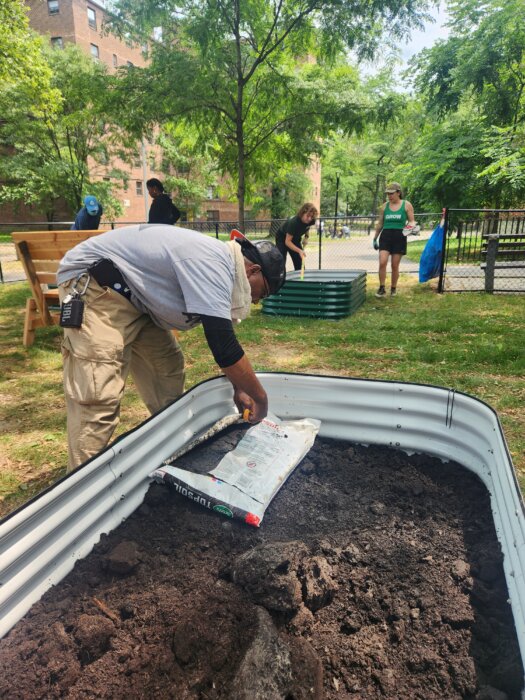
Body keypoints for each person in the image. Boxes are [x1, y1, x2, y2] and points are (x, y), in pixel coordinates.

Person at [56, 224, 285, 470]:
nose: (256, 300)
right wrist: (260, 399)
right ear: (253, 270)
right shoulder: (215, 264)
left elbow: (223, 336)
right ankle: (81, 485)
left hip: (139, 299)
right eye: (263, 293)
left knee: (166, 372)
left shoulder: (226, 265)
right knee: (98, 393)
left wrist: (240, 387)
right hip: (96, 287)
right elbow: (224, 346)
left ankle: (171, 457)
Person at [372, 182, 416, 298]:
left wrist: (408, 230)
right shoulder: (384, 206)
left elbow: (412, 221)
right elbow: (380, 223)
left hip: (399, 236)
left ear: (398, 193)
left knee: (395, 265)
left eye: (391, 193)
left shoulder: (406, 205)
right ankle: (382, 288)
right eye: (387, 194)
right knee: (382, 262)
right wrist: (375, 238)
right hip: (386, 236)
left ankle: (393, 288)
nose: (389, 196)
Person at [275, 203, 318, 270]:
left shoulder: (311, 221)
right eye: (308, 216)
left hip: (295, 238)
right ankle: (281, 279)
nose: (309, 219)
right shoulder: (294, 222)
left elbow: (307, 228)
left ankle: (301, 279)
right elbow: (287, 242)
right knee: (281, 261)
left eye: (311, 216)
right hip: (282, 238)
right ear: (302, 213)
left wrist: (306, 237)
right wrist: (299, 251)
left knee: (300, 262)